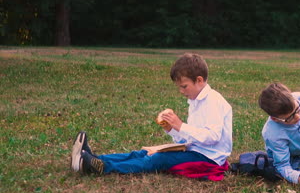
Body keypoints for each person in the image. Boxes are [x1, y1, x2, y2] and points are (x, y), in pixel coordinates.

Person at [70, 53, 232, 180]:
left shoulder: (213, 101)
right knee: (144, 153)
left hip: (208, 159)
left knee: (157, 160)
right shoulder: (196, 100)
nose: (181, 91)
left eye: (184, 86)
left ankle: (102, 167)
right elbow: (189, 139)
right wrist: (172, 130)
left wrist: (180, 125)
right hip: (194, 150)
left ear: (199, 80)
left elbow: (213, 137)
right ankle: (93, 159)